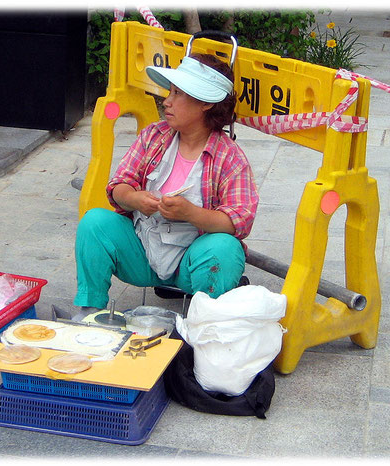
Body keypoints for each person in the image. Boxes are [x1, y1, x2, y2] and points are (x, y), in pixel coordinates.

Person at [68, 53, 259, 322]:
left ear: (205, 103)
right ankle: (90, 311)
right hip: (142, 252)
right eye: (170, 92)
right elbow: (118, 186)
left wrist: (191, 213)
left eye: (178, 94)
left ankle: (206, 323)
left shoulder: (229, 157)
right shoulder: (153, 137)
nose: (167, 102)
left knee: (225, 249)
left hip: (191, 264)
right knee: (94, 222)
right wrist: (134, 199)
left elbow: (239, 221)